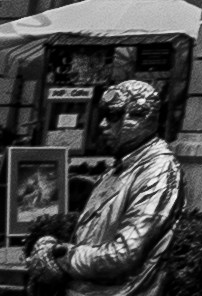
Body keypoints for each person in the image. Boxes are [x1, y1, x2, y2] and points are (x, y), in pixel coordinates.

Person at [26, 84, 176, 296]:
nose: (102, 124)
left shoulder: (158, 170)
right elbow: (93, 236)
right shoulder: (122, 166)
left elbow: (124, 253)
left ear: (140, 116)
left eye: (113, 116)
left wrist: (62, 256)